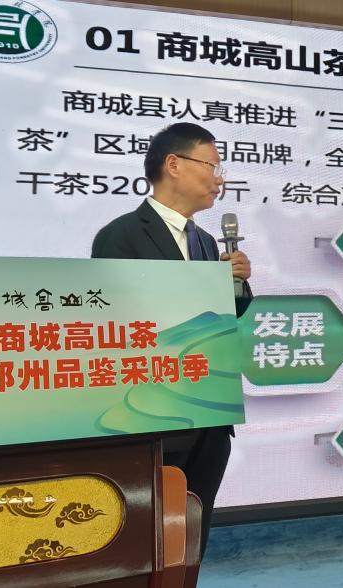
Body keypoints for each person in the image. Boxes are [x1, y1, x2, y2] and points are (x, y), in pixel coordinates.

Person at [91, 122, 250, 562]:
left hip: (209, 417)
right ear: (174, 164)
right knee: (148, 541)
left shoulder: (206, 240)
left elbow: (222, 320)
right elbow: (116, 321)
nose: (219, 178)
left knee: (192, 537)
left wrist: (236, 284)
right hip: (153, 416)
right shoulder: (121, 235)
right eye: (212, 166)